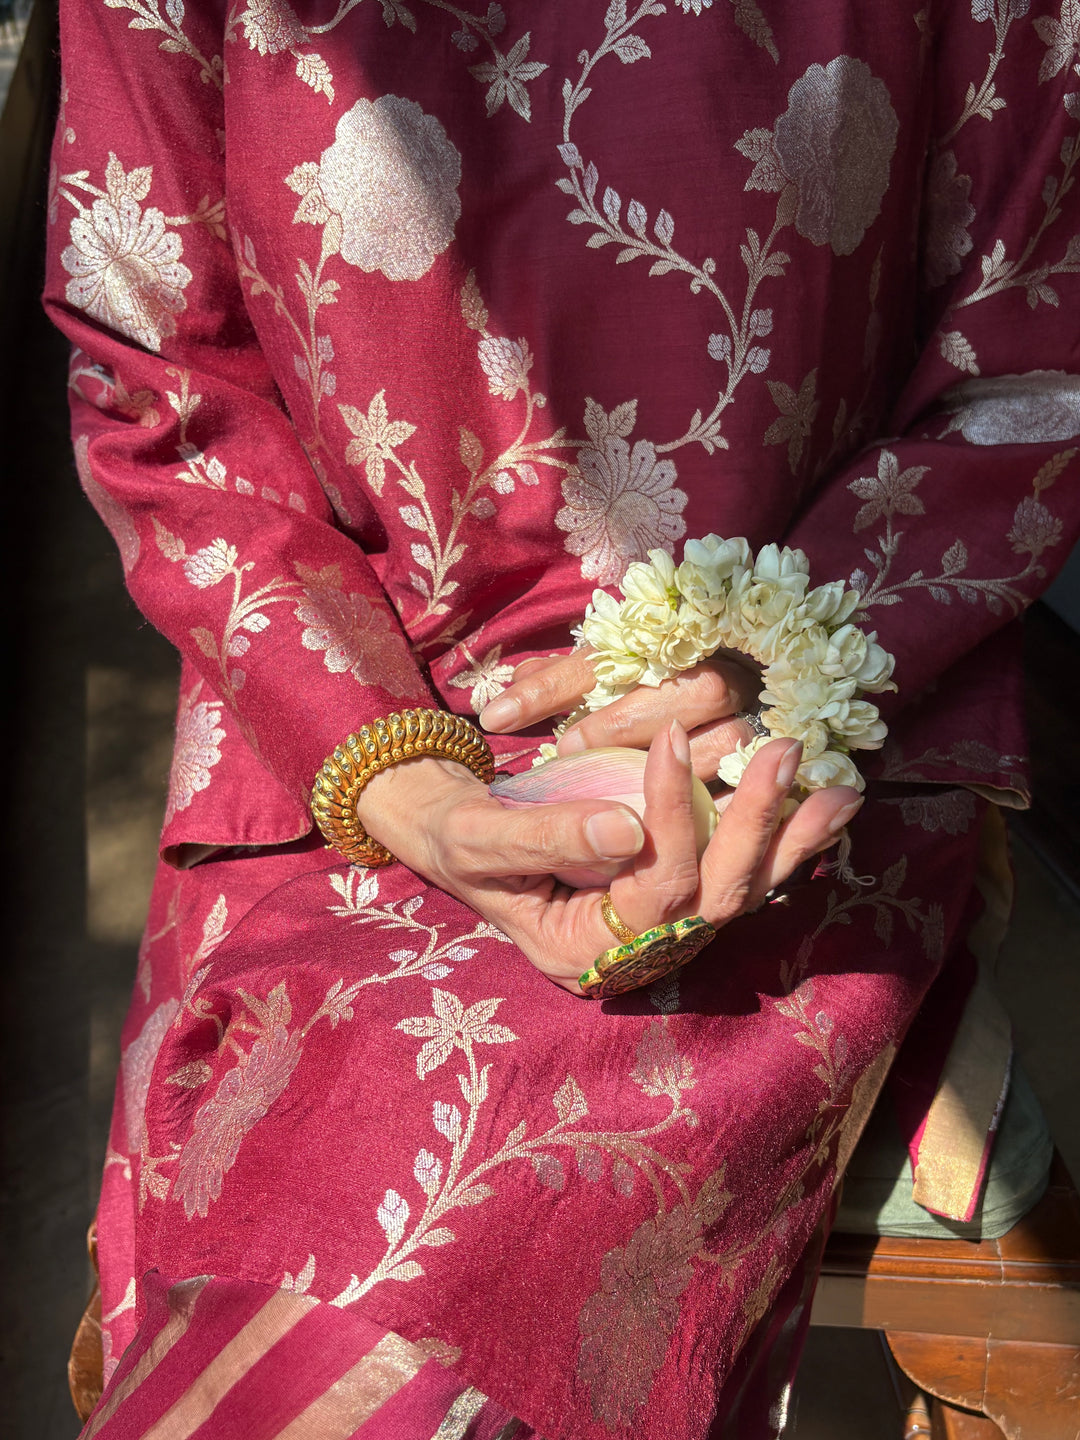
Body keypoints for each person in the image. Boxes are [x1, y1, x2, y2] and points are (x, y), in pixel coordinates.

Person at [45, 1, 1080, 1435]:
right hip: (334, 743)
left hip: (782, 753)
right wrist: (408, 789)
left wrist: (786, 658)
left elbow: (1036, 343)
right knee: (319, 1210)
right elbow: (157, 369)